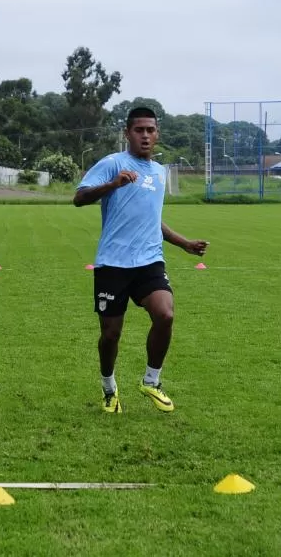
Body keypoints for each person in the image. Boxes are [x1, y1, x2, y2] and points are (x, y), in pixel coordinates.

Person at [73, 107, 209, 414]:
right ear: (127, 133)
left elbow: (153, 220)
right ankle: (109, 388)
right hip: (112, 264)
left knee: (166, 314)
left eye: (150, 130)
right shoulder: (113, 163)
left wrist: (184, 243)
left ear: (157, 134)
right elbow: (79, 198)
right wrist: (113, 185)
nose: (145, 136)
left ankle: (152, 380)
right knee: (110, 334)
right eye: (139, 130)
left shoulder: (159, 172)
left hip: (149, 261)